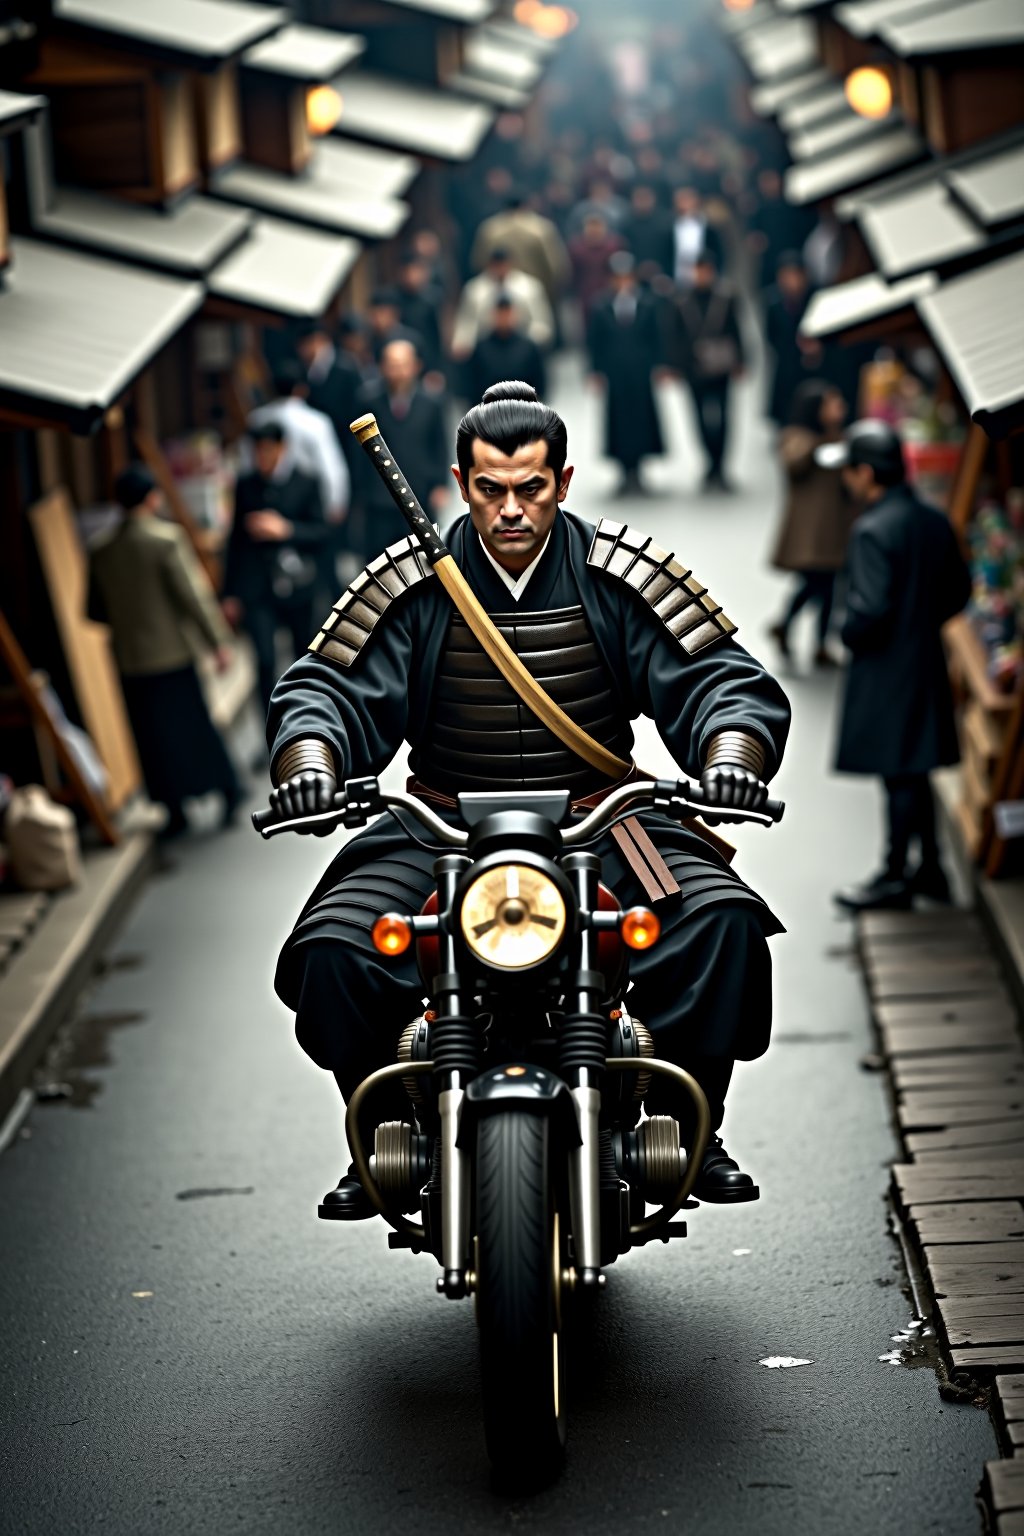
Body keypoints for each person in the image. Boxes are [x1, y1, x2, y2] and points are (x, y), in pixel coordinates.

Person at [263, 381, 790, 1217]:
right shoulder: (411, 584)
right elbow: (326, 687)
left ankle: (692, 1122)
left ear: (564, 481)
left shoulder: (619, 574)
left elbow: (722, 679)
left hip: (602, 820)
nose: (511, 509)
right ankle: (384, 1135)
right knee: (336, 951)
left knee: (719, 924)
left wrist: (732, 756)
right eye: (490, 489)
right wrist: (312, 758)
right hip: (441, 825)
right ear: (460, 482)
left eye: (531, 488)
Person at [819, 421, 972, 912]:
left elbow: (870, 611)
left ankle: (894, 874)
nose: (847, 480)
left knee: (898, 773)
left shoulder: (871, 530)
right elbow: (958, 592)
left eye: (850, 471)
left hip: (886, 671)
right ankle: (930, 868)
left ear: (867, 473)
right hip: (924, 660)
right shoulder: (932, 519)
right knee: (916, 767)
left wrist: (846, 630)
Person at [87, 465, 241, 838]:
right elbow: (194, 597)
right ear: (152, 497)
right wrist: (218, 642)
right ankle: (227, 790)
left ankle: (174, 809)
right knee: (193, 727)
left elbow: (93, 610)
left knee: (151, 737)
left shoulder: (101, 549)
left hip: (130, 659)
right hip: (172, 654)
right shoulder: (165, 539)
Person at [224, 422, 328, 718]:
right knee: (265, 660)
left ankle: (308, 719)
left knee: (303, 656)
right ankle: (271, 727)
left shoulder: (306, 481)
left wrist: (286, 530)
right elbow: (235, 541)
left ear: (282, 448)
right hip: (257, 587)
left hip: (298, 584)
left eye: (268, 450)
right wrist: (229, 593)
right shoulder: (245, 484)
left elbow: (322, 533)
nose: (262, 458)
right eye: (256, 451)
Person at [767, 381, 855, 667]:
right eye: (832, 404)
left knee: (827, 588)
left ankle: (814, 641)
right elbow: (795, 462)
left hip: (833, 530)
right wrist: (822, 445)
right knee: (815, 585)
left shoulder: (839, 438)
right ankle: (788, 626)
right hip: (810, 532)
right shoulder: (798, 437)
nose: (839, 409)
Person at [353, 337, 450, 552]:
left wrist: (441, 484)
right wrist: (360, 490)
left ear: (416, 366)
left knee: (421, 555)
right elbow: (357, 452)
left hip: (419, 491)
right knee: (378, 555)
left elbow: (439, 445)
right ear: (382, 367)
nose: (398, 371)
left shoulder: (432, 402)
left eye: (403, 365)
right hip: (379, 494)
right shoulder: (368, 400)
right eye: (392, 365)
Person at [587, 251, 667, 495]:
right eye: (618, 278)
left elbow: (657, 337)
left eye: (627, 278)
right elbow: (594, 342)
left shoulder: (647, 304)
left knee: (642, 418)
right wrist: (595, 371)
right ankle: (623, 469)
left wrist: (660, 365)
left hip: (641, 371)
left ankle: (639, 469)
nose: (623, 283)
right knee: (619, 420)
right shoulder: (601, 306)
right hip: (615, 372)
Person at [669, 248, 745, 491]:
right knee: (699, 418)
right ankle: (710, 463)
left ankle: (721, 465)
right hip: (694, 369)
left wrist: (741, 360)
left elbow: (736, 330)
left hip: (721, 368)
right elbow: (676, 337)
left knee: (723, 416)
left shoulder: (726, 297)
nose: (701, 275)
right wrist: (676, 366)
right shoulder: (681, 300)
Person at [248, 362, 349, 527]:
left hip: (265, 500)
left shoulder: (257, 419)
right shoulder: (316, 422)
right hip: (307, 500)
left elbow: (248, 463)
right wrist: (336, 503)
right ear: (301, 389)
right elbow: (331, 467)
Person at [470, 189, 571, 313]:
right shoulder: (542, 229)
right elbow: (556, 267)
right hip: (536, 293)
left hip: (498, 296)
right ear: (525, 205)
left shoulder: (490, 229)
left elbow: (479, 262)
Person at [451, 248, 555, 362]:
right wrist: (463, 343)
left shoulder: (530, 288)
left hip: (523, 348)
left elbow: (542, 324)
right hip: (486, 351)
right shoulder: (475, 290)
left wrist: (529, 344)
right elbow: (467, 324)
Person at [764, 252, 821, 427]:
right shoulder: (773, 302)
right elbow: (771, 336)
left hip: (813, 368)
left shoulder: (817, 298)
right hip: (786, 368)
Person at [466, 296, 547, 404]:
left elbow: (540, 385)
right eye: (500, 313)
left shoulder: (528, 347)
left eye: (507, 313)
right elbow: (472, 385)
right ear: (493, 315)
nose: (504, 318)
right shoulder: (481, 348)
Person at [569, 213, 625, 327]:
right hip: (586, 291)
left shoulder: (614, 246)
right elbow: (572, 273)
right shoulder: (577, 248)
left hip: (609, 291)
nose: (594, 231)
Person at [671, 184, 723, 290]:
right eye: (681, 200)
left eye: (688, 199)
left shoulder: (709, 227)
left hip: (704, 280)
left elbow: (719, 253)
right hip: (679, 279)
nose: (685, 204)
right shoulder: (671, 227)